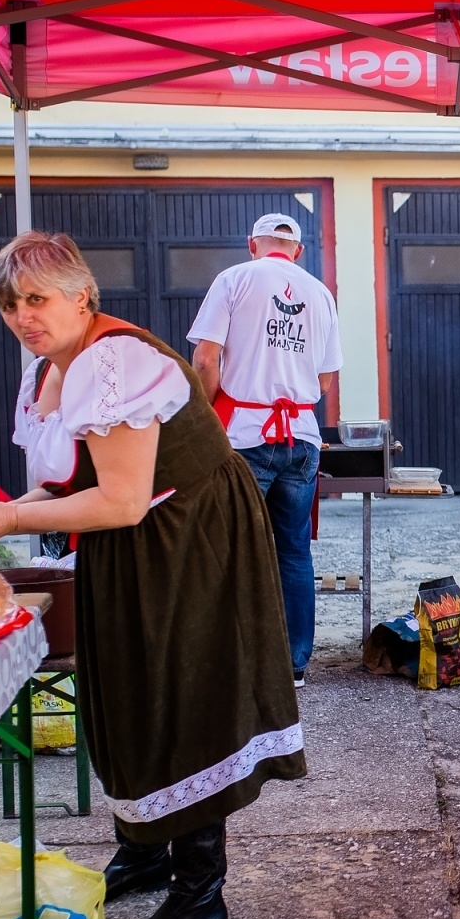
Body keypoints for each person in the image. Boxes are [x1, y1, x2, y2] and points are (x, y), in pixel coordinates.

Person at [0, 231, 306, 919]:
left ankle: (200, 896)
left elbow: (124, 498)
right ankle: (145, 849)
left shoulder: (116, 360)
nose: (23, 315)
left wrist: (13, 517)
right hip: (131, 540)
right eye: (9, 304)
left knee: (183, 698)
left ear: (82, 295)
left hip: (187, 538)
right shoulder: (55, 367)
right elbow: (77, 478)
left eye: (37, 299)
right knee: (125, 692)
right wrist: (3, 505)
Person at [188, 214, 342, 689]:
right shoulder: (320, 293)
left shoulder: (233, 279)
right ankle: (294, 665)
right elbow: (324, 379)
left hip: (245, 436)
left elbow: (205, 358)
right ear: (297, 250)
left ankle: (233, 658)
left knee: (231, 549)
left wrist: (202, 414)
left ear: (253, 244)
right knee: (293, 551)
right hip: (301, 437)